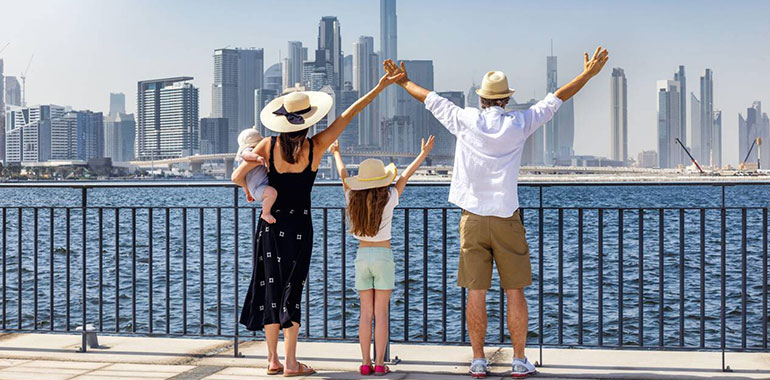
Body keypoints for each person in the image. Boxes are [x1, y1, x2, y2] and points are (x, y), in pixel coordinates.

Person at [384, 46, 609, 379]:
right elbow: (557, 98)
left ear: (482, 99)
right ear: (505, 99)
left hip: (472, 218)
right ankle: (519, 360)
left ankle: (478, 360)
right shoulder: (519, 123)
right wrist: (587, 75)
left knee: (476, 291)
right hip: (506, 216)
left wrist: (403, 82)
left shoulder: (464, 119)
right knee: (514, 290)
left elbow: (428, 98)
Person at [236, 66, 405, 377]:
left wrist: (250, 190)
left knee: (270, 288)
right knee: (292, 291)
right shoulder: (314, 147)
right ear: (308, 120)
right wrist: (380, 86)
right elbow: (351, 113)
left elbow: (239, 176)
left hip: (269, 226)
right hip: (299, 228)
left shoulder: (267, 146)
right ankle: (290, 363)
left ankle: (273, 360)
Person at [329, 136, 435, 376]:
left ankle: (365, 363)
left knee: (365, 314)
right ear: (381, 179)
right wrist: (423, 153)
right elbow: (406, 174)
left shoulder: (352, 198)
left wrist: (336, 152)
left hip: (362, 257)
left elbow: (343, 175)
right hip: (383, 257)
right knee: (381, 314)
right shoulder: (389, 198)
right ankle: (379, 364)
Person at [231, 127, 278, 223]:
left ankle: (265, 211)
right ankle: (265, 213)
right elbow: (246, 155)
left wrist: (248, 193)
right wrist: (257, 157)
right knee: (271, 193)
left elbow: (245, 181)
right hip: (258, 188)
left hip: (257, 187)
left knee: (271, 193)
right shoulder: (248, 151)